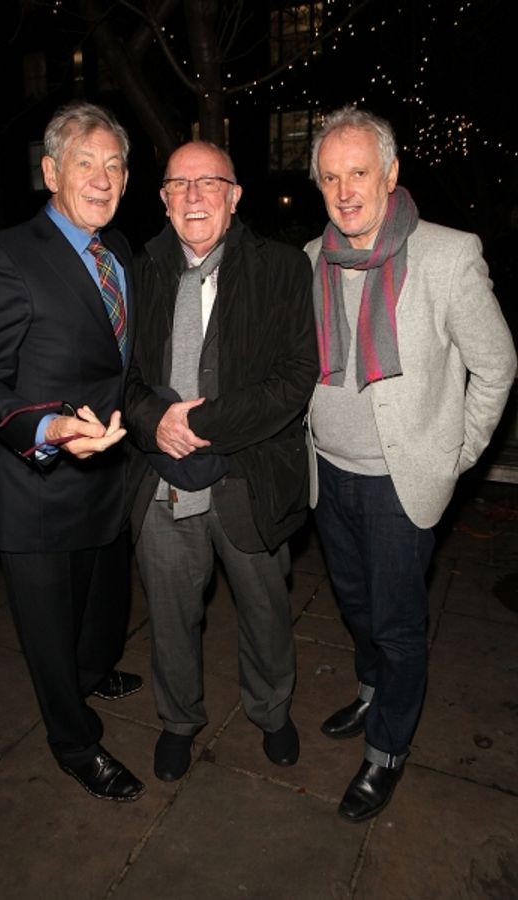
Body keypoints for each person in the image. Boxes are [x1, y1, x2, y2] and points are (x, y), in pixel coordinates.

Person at [304, 106, 516, 823]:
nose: (345, 189)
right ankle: (372, 691)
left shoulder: (448, 255)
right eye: (330, 176)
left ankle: (388, 747)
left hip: (400, 485)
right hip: (327, 473)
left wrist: (453, 457)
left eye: (358, 172)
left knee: (397, 623)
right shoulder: (310, 260)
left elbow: (497, 366)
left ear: (390, 175)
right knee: (355, 605)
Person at [0, 101, 145, 802]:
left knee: (101, 614)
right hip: (36, 489)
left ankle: (91, 675)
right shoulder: (5, 256)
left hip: (105, 479)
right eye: (84, 163)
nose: (102, 178)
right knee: (48, 633)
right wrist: (49, 429)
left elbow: (122, 365)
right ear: (49, 171)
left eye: (114, 164)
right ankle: (74, 742)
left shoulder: (119, 251)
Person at [124, 141, 319, 782]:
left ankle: (271, 711)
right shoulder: (138, 270)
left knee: (265, 610)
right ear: (163, 199)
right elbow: (115, 374)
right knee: (172, 617)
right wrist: (156, 422)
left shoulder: (283, 268)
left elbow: (294, 380)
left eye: (210, 182)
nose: (194, 196)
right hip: (161, 483)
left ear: (235, 196)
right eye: (179, 184)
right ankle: (179, 720)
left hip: (250, 476)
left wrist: (198, 424)